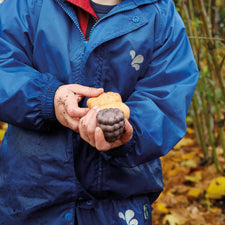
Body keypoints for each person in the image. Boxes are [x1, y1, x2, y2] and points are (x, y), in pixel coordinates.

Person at [0, 0, 199, 224]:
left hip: (119, 206)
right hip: (29, 200)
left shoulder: (160, 15)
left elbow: (167, 95)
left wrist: (127, 129)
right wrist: (48, 98)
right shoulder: (28, 5)